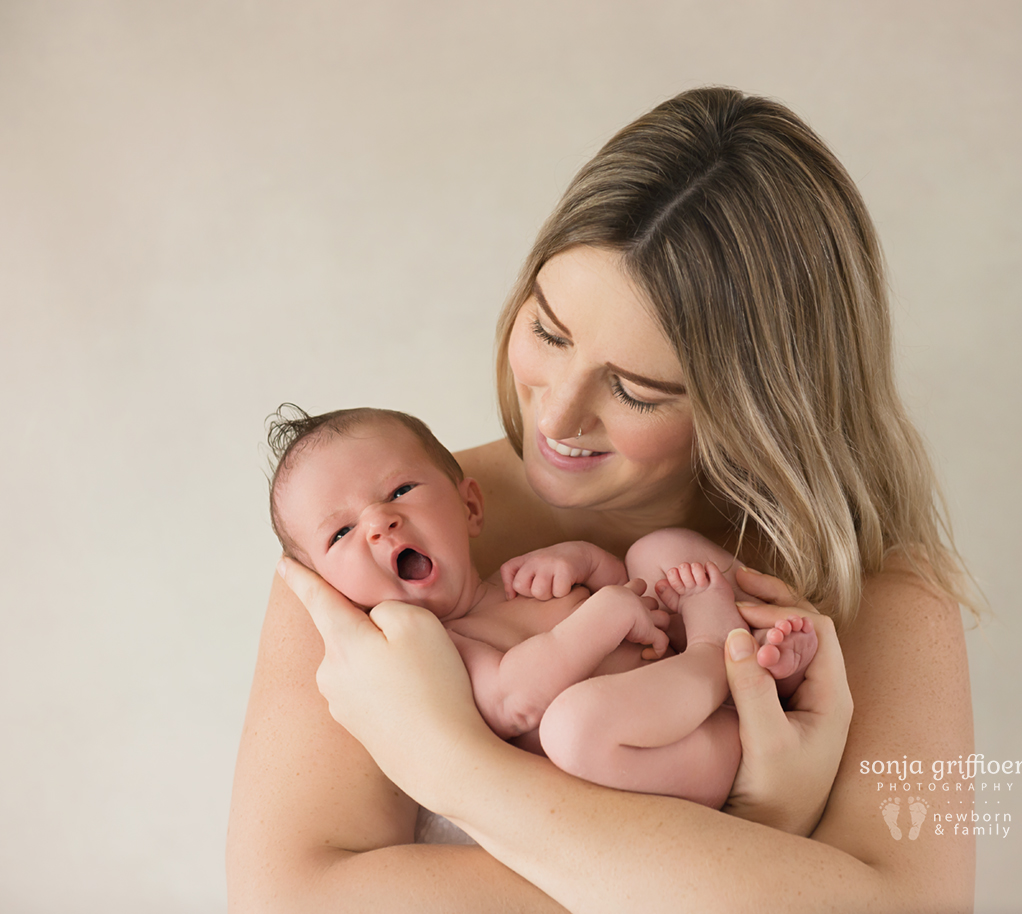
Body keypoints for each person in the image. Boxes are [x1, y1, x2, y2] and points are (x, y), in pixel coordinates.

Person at [228, 86, 976, 912]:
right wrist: (759, 851)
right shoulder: (359, 544)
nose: (556, 415)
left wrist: (452, 765)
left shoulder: (889, 600)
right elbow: (288, 899)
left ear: (762, 409)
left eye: (636, 389)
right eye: (549, 333)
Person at [265, 404, 817, 809]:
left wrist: (583, 562)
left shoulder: (519, 578)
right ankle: (719, 658)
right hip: (687, 752)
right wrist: (603, 616)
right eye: (340, 533)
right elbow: (515, 701)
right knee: (572, 729)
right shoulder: (440, 649)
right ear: (334, 593)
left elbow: (625, 587)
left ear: (470, 507)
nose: (379, 522)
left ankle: (768, 666)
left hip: (674, 673)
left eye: (400, 490)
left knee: (659, 551)